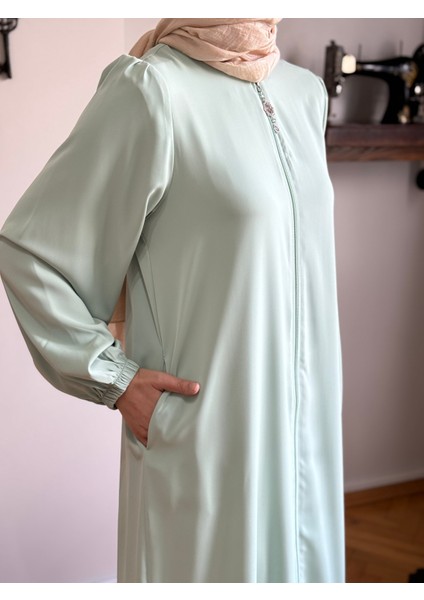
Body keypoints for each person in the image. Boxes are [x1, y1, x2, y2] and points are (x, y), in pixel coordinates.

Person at [0, 19, 345, 582]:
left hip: (307, 434)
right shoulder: (152, 89)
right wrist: (114, 379)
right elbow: (30, 251)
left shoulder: (305, 92)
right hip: (206, 436)